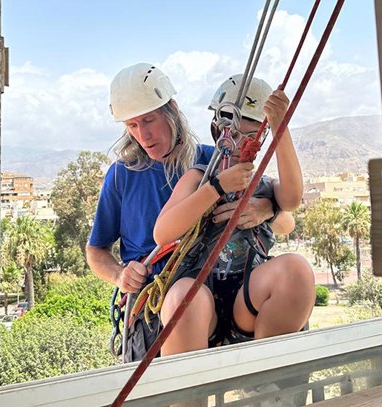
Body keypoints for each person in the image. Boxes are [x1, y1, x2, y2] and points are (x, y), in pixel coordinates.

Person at [85, 63, 292, 362]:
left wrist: (267, 209)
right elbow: (96, 250)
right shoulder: (122, 175)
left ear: (172, 110)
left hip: (212, 299)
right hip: (156, 308)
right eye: (132, 125)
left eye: (149, 120)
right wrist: (119, 275)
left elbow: (285, 222)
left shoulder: (215, 160)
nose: (143, 135)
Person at [152, 75, 315, 357]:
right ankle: (187, 398)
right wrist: (217, 187)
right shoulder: (199, 177)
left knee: (297, 270)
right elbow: (163, 233)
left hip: (248, 296)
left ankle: (265, 388)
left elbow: (291, 200)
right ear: (218, 130)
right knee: (183, 300)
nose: (240, 144)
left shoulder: (263, 187)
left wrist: (281, 128)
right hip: (201, 294)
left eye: (250, 136)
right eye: (234, 134)